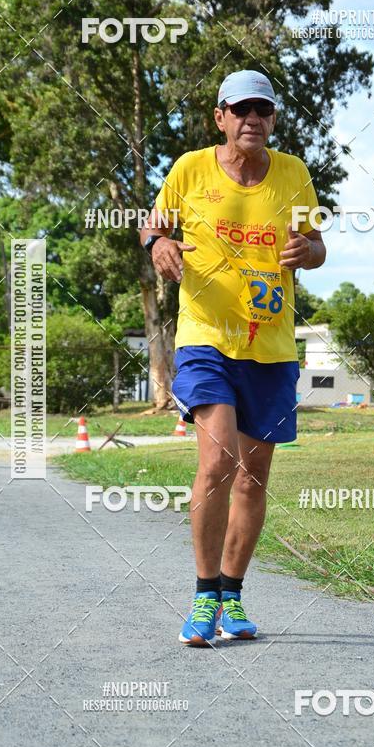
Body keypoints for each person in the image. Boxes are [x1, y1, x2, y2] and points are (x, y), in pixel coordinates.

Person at [141, 69, 326, 646]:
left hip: (270, 347)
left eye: (262, 110)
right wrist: (159, 244)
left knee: (253, 477)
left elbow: (318, 246)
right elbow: (153, 228)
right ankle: (203, 595)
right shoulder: (189, 169)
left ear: (273, 119)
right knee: (218, 461)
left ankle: (232, 594)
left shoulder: (294, 174)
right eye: (241, 109)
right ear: (220, 117)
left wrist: (307, 250)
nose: (252, 119)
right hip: (206, 339)